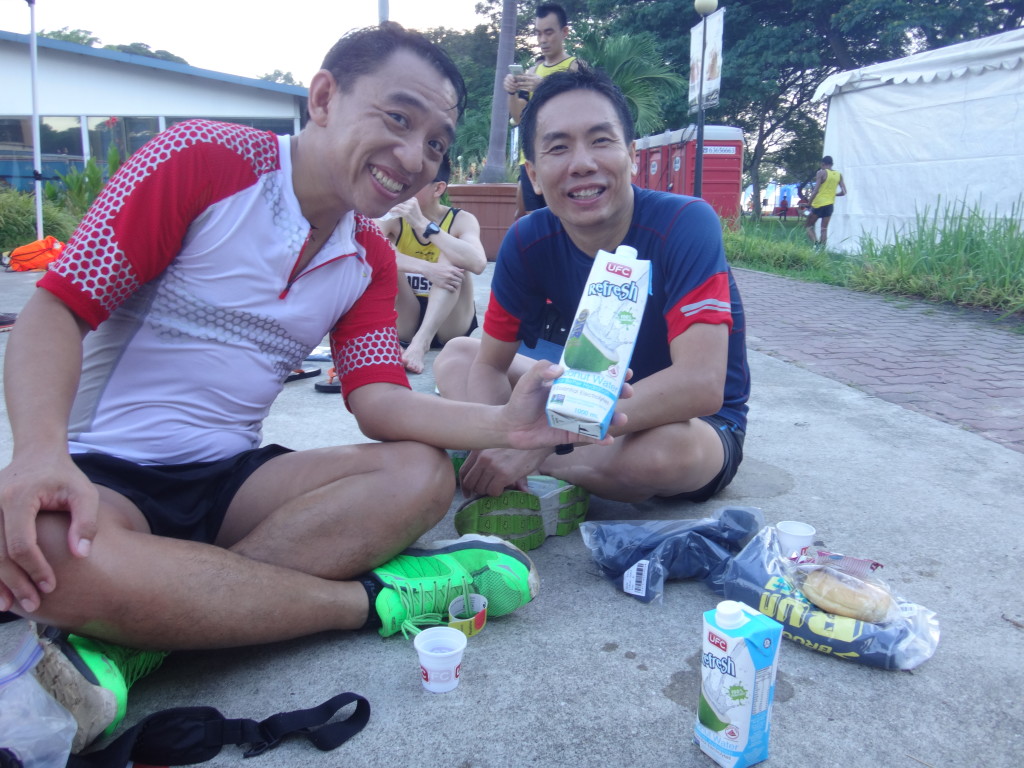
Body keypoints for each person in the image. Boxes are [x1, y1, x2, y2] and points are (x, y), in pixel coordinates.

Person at [0, 24, 616, 753]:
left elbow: (379, 402)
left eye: (435, 142)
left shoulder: (367, 257)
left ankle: (143, 636)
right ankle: (374, 601)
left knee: (418, 471)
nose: (414, 156)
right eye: (398, 118)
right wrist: (39, 455)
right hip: (105, 476)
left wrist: (509, 428)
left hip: (231, 482)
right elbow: (57, 309)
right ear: (324, 97)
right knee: (37, 549)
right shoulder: (202, 160)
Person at [434, 65, 750, 551]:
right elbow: (490, 364)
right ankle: (535, 461)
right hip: (579, 396)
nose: (581, 164)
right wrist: (509, 430)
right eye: (558, 147)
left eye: (601, 141)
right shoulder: (526, 239)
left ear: (631, 156)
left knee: (665, 454)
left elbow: (702, 386)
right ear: (535, 176)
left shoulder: (686, 223)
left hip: (682, 422)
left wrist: (534, 443)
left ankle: (526, 463)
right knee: (457, 353)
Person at [377, 154, 486, 374]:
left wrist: (422, 224)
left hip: (450, 323)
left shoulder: (462, 219)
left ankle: (422, 342)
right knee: (382, 249)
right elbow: (363, 253)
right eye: (400, 181)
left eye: (411, 184)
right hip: (406, 316)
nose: (401, 189)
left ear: (438, 189)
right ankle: (401, 338)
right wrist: (427, 268)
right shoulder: (392, 216)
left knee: (454, 254)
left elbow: (478, 263)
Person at [504, 3, 581, 218]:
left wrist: (544, 86)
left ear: (564, 32)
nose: (543, 40)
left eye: (549, 32)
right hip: (531, 158)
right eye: (538, 33)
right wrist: (511, 92)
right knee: (532, 220)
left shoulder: (575, 67)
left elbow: (581, 113)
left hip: (562, 156)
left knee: (564, 216)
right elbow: (519, 118)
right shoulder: (532, 71)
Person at [804, 156, 847, 247]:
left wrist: (808, 204)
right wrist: (834, 194)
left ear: (823, 164)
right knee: (824, 229)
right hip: (830, 205)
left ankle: (816, 245)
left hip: (818, 204)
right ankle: (822, 250)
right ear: (832, 164)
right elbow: (844, 192)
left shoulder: (821, 173)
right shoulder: (839, 175)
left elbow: (815, 191)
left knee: (808, 226)